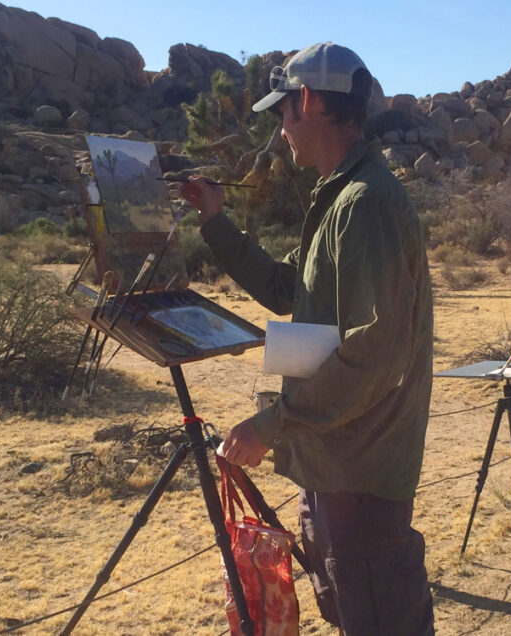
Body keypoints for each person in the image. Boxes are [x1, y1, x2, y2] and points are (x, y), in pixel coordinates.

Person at [180, 42, 435, 634]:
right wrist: (216, 221)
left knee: (377, 617)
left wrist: (272, 425)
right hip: (335, 457)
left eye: (283, 113)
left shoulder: (365, 201)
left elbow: (372, 352)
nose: (282, 131)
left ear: (312, 101)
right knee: (352, 609)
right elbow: (284, 286)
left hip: (359, 468)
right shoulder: (340, 195)